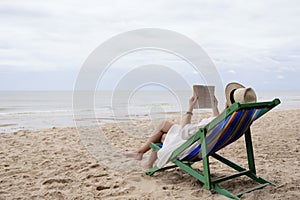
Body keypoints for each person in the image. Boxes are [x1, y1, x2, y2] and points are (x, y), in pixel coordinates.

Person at [124, 82, 257, 169]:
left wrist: (190, 107)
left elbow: (184, 132)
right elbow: (216, 123)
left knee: (163, 133)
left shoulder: (223, 121)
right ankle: (144, 158)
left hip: (193, 145)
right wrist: (214, 107)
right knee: (164, 129)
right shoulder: (237, 118)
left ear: (228, 103)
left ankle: (141, 155)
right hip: (200, 140)